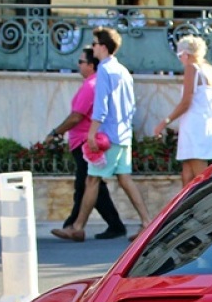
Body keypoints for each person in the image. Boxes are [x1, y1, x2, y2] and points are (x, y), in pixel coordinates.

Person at [52, 28, 152, 242]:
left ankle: (77, 227)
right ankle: (147, 223)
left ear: (104, 47)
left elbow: (101, 106)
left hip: (108, 135)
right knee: (124, 178)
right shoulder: (123, 71)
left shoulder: (105, 70)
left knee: (92, 179)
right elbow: (131, 105)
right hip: (123, 134)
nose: (93, 47)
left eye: (95, 43)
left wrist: (92, 132)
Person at [46, 46, 127, 240]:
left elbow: (76, 117)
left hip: (85, 142)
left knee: (85, 186)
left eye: (81, 62)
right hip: (88, 141)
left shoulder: (91, 86)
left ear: (91, 65)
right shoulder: (97, 83)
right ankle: (115, 225)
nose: (78, 65)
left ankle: (73, 226)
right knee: (94, 186)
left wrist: (55, 132)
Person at [153, 35, 212, 188]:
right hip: (207, 126)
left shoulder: (192, 68)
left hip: (194, 127)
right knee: (188, 175)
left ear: (186, 54)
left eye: (179, 55)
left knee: (200, 176)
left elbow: (186, 102)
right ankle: (188, 210)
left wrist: (164, 122)